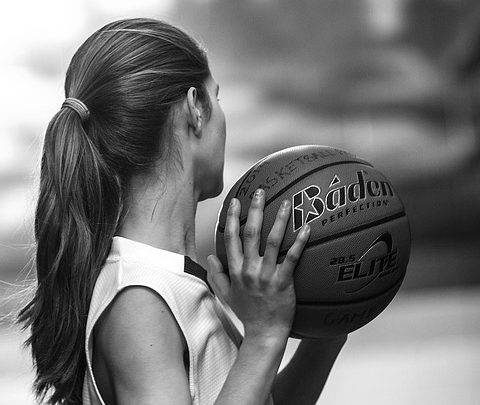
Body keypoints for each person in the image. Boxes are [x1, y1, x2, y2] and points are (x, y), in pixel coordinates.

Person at [18, 18, 346, 405]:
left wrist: (326, 329)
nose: (223, 116)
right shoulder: (139, 300)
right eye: (217, 98)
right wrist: (263, 336)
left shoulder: (167, 281)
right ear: (195, 109)